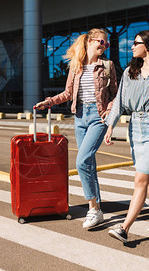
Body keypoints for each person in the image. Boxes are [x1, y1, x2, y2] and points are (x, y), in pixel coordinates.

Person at [35, 28, 118, 229]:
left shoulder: (108, 66)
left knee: (81, 161)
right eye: (101, 42)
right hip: (80, 117)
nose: (104, 46)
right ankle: (97, 208)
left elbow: (116, 94)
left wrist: (109, 110)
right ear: (89, 42)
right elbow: (68, 93)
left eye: (107, 44)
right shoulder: (76, 66)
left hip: (98, 117)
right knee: (88, 164)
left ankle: (93, 209)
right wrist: (49, 102)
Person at [104, 30, 149, 243]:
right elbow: (119, 101)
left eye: (136, 43)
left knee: (140, 178)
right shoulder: (129, 72)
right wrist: (110, 125)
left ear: (147, 46)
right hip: (135, 128)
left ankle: (124, 228)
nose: (132, 47)